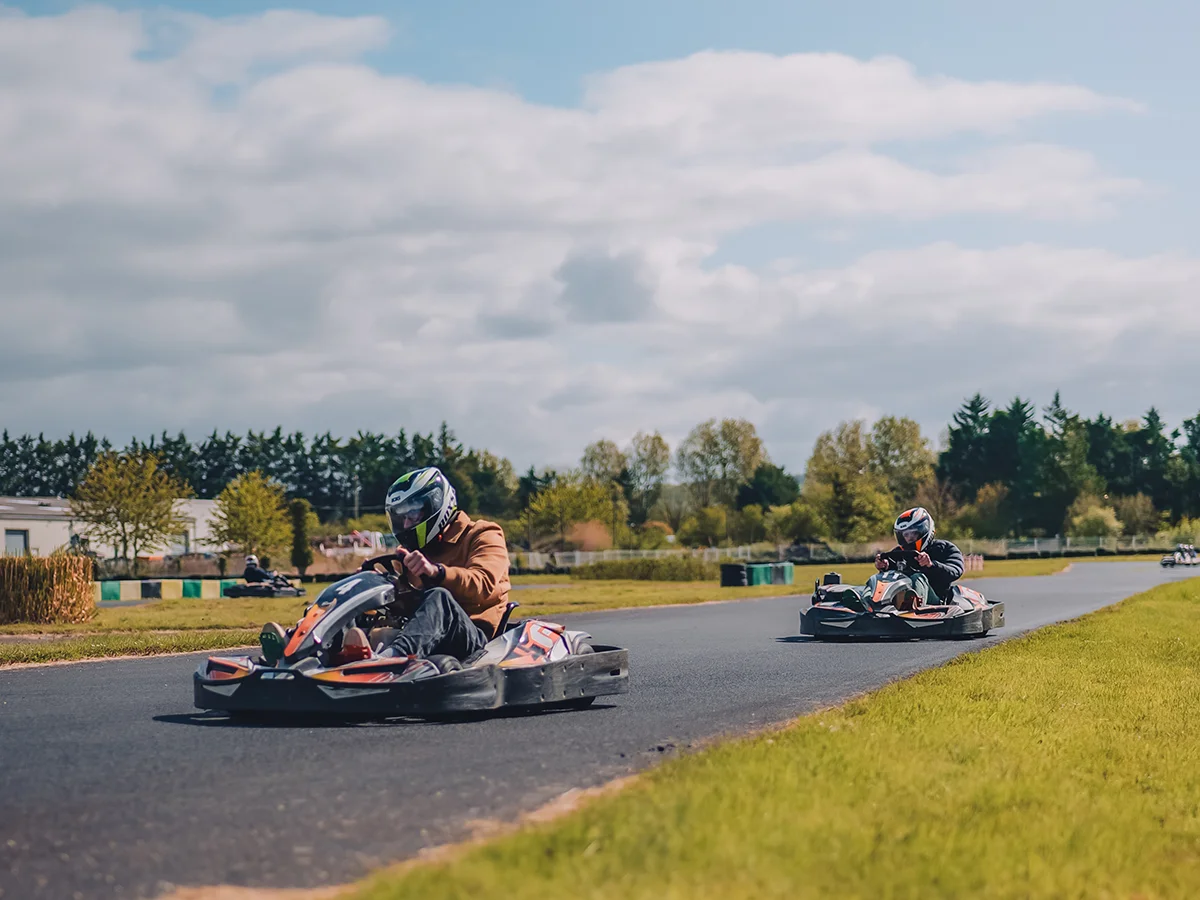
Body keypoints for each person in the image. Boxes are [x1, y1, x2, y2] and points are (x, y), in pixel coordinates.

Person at [258, 466, 511, 665]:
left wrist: (436, 572)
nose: (408, 522)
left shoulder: (483, 534)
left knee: (440, 597)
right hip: (426, 632)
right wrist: (373, 587)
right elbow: (413, 604)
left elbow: (483, 584)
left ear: (437, 504)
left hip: (472, 636)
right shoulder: (417, 551)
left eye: (414, 513)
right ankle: (300, 650)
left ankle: (391, 659)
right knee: (354, 598)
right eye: (403, 516)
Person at [874, 507, 964, 608]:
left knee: (917, 577)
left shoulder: (944, 548)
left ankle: (913, 608)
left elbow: (956, 570)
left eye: (913, 533)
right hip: (898, 599)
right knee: (877, 579)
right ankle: (866, 604)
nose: (909, 538)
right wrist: (885, 567)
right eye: (906, 534)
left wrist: (931, 565)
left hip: (936, 603)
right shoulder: (897, 553)